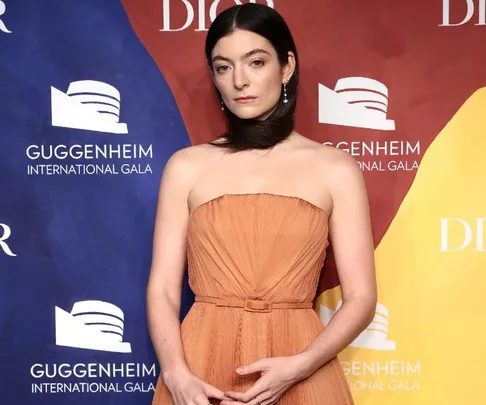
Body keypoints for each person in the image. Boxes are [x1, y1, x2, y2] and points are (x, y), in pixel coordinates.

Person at [147, 3, 377, 405]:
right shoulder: (186, 167)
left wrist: (302, 365)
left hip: (300, 368)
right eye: (223, 67)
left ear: (286, 67)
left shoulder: (335, 169)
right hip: (200, 372)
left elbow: (361, 299)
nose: (240, 81)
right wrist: (176, 373)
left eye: (255, 62)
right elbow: (164, 290)